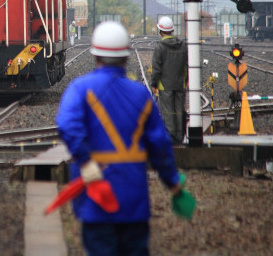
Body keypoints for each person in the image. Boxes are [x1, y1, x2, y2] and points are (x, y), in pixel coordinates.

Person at [56, 21, 192, 256]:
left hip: (95, 197)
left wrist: (86, 161)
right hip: (133, 200)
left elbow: (67, 125)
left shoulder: (80, 88)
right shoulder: (140, 94)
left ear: (95, 54)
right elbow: (159, 145)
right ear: (126, 56)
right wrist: (173, 184)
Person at [150, 16, 188, 144]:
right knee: (179, 110)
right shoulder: (182, 45)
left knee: (168, 112)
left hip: (165, 86)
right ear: (172, 30)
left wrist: (153, 83)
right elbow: (186, 65)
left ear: (160, 31)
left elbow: (156, 68)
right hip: (180, 85)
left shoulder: (160, 47)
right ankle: (180, 137)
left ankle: (171, 138)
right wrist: (186, 80)